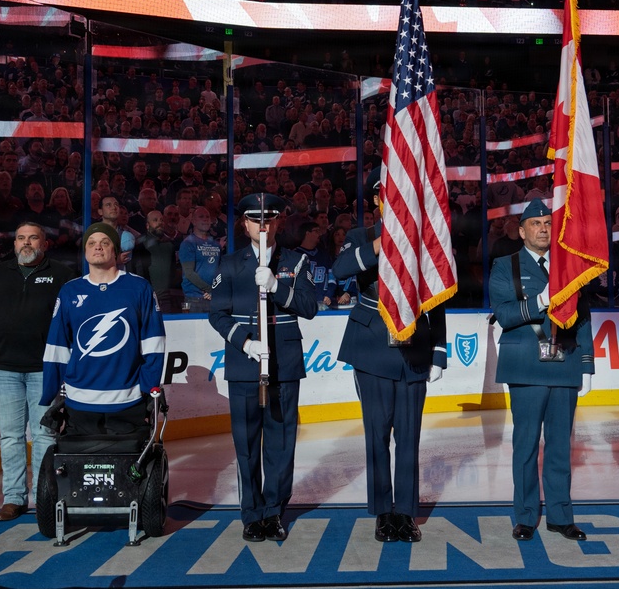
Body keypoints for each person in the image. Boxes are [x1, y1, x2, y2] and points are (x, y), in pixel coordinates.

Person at [332, 170, 447, 543]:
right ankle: (384, 512)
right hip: (372, 348)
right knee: (377, 434)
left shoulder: (427, 238)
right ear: (379, 201)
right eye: (390, 195)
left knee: (409, 437)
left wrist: (440, 352)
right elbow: (340, 271)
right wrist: (381, 244)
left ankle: (406, 513)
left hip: (415, 346)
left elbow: (438, 296)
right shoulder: (359, 237)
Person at [208, 193, 317, 543]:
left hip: (284, 365)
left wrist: (276, 287)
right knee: (246, 443)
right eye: (255, 219)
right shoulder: (228, 264)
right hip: (244, 365)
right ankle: (251, 514)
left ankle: (274, 512)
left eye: (269, 218)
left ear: (278, 222)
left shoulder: (296, 262)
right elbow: (217, 314)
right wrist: (244, 341)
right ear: (244, 224)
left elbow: (310, 306)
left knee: (282, 444)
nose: (263, 225)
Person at [489, 199, 594, 542]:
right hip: (526, 366)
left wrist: (587, 364)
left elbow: (585, 317)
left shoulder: (571, 265)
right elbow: (504, 315)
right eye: (535, 223)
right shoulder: (506, 265)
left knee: (562, 446)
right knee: (526, 445)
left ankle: (561, 517)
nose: (543, 229)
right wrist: (540, 301)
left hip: (565, 362)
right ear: (521, 231)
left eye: (548, 222)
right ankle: (525, 516)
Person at [0, 222, 75, 521]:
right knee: (10, 437)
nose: (26, 243)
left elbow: (71, 322)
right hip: (6, 370)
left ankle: (44, 496)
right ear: (14, 243)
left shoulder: (62, 275)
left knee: (45, 434)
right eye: (20, 238)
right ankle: (13, 498)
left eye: (33, 237)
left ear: (45, 243)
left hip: (45, 370)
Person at [41, 223, 166, 436]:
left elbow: (154, 344)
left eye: (105, 242)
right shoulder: (70, 291)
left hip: (127, 402)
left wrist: (148, 389)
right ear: (85, 251)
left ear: (116, 251)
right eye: (91, 243)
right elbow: (57, 345)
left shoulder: (139, 288)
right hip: (79, 401)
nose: (97, 247)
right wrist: (49, 393)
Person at [179, 206, 221, 313]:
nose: (206, 219)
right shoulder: (188, 243)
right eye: (201, 217)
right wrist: (209, 289)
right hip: (195, 299)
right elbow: (189, 273)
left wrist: (215, 291)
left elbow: (220, 270)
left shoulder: (216, 244)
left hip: (214, 298)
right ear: (193, 221)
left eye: (207, 217)